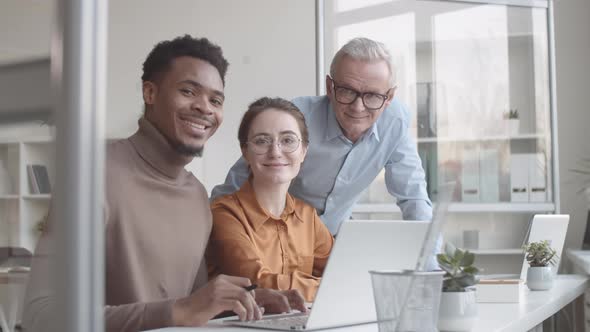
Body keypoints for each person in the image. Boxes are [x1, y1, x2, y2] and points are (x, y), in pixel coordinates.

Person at [22, 35, 305, 332]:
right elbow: (40, 316)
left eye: (216, 100)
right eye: (188, 91)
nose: (204, 108)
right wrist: (179, 310)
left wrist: (243, 302)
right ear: (150, 93)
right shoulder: (91, 175)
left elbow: (190, 310)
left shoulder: (197, 195)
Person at [212, 37, 433, 236]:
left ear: (389, 97)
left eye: (373, 96)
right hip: (277, 237)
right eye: (347, 91)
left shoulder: (395, 122)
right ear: (329, 87)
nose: (358, 107)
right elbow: (236, 186)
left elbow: (413, 196)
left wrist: (430, 266)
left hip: (334, 240)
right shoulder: (295, 118)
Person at [206, 97, 334, 302]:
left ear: (303, 152)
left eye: (288, 140)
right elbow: (256, 283)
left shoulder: (307, 216)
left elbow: (342, 272)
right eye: (261, 141)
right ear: (245, 152)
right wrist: (328, 289)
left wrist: (339, 286)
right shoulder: (223, 213)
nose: (275, 152)